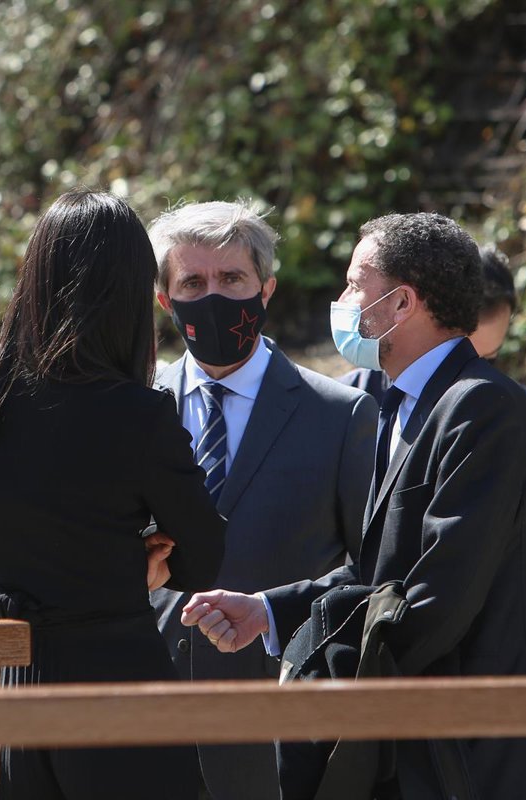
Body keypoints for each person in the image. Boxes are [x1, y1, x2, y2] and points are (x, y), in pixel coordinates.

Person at [182, 213, 526, 799]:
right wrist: (266, 611)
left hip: (477, 761)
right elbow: (378, 574)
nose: (342, 301)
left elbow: (437, 598)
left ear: (401, 304)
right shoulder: (401, 404)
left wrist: (317, 671)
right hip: (418, 750)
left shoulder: (480, 409)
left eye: (354, 284)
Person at [0, 189, 226, 800]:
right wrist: (130, 558)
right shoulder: (137, 412)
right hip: (116, 676)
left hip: (14, 681)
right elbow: (203, 558)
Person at [147, 200, 377, 800]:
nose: (214, 297)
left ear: (266, 288)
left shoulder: (340, 415)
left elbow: (375, 568)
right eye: (193, 283)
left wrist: (271, 612)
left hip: (281, 725)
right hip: (148, 717)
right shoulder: (133, 409)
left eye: (232, 279)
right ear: (165, 300)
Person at [341, 244, 526, 601]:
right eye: (454, 355)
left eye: (488, 359)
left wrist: (479, 557)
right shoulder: (350, 402)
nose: (467, 375)